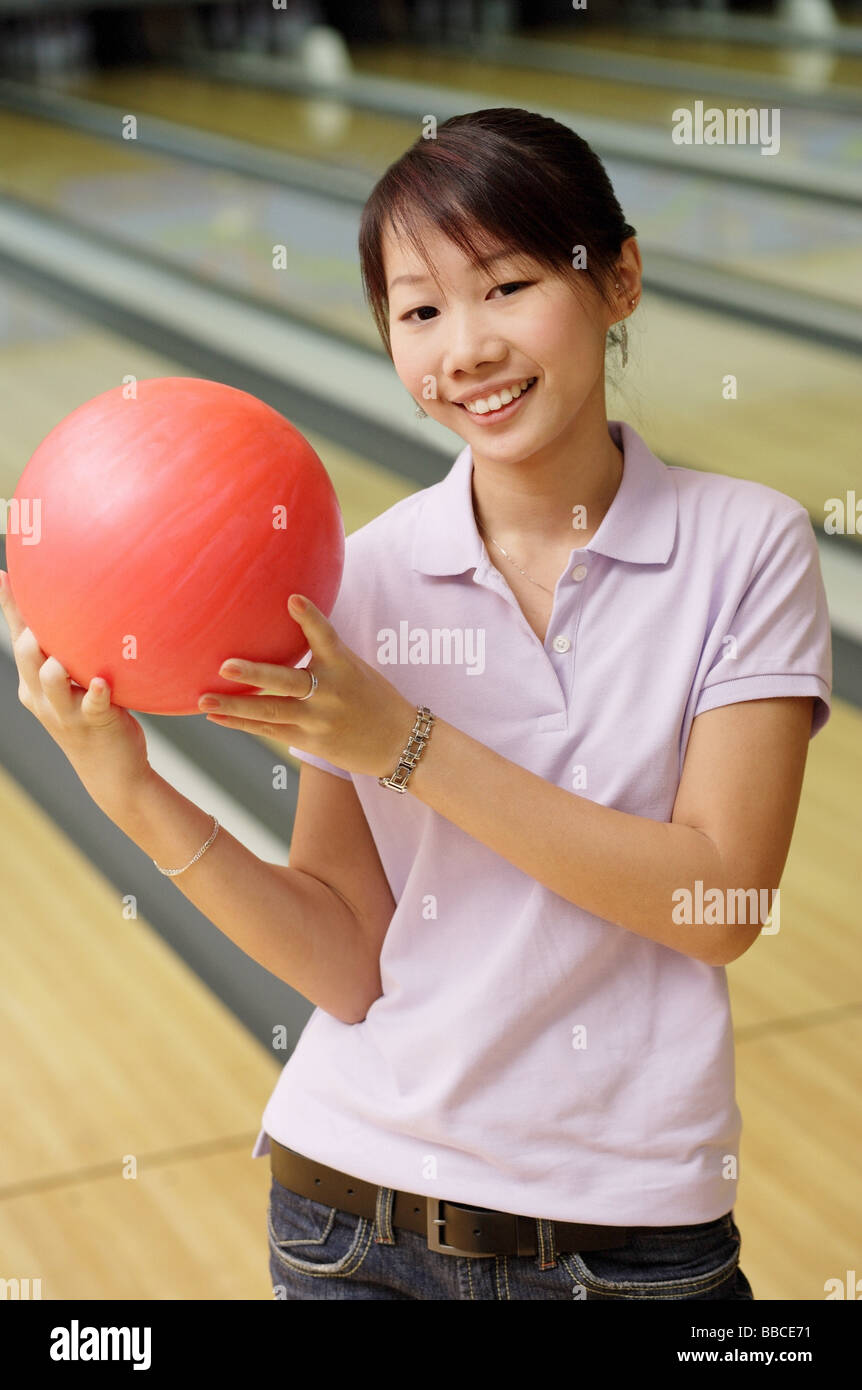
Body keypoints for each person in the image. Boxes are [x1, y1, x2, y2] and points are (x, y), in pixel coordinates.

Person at [0, 108, 831, 1303]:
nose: (467, 346)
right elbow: (345, 962)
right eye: (420, 310)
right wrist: (124, 786)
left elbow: (718, 901)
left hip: (627, 1243)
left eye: (506, 286)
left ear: (619, 278)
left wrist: (403, 744)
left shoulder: (743, 548)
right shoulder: (359, 583)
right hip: (349, 1217)